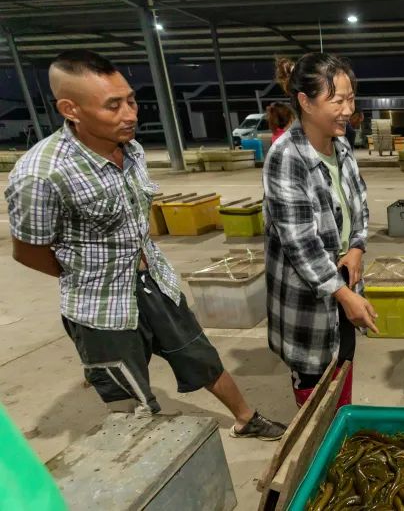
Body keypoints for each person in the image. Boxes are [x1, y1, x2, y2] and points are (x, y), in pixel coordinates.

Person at [4, 50, 285, 440]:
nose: (130, 114)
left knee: (199, 354)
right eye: (113, 105)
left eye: (131, 100)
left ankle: (245, 417)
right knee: (125, 392)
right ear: (71, 109)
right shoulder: (41, 173)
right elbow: (28, 250)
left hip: (154, 281)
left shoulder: (131, 150)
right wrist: (87, 276)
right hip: (100, 306)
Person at [264, 54, 377, 409]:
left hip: (343, 285)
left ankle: (338, 429)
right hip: (310, 301)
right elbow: (300, 244)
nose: (348, 109)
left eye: (351, 99)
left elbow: (359, 201)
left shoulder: (341, 145)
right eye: (338, 100)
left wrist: (357, 246)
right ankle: (317, 446)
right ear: (305, 102)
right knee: (315, 385)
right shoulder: (286, 157)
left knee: (342, 367)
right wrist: (343, 294)